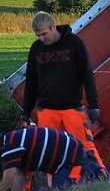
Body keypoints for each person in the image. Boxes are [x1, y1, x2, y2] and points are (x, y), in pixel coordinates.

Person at [22, 11, 105, 178]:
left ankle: (101, 177)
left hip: (72, 108)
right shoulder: (36, 48)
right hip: (46, 110)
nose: (41, 39)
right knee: (51, 150)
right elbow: (31, 81)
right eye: (38, 36)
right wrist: (26, 112)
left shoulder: (74, 44)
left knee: (84, 146)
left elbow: (87, 75)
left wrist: (93, 104)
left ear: (53, 27)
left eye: (44, 34)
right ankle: (59, 185)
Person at [0, 127, 105, 191]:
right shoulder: (14, 139)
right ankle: (94, 171)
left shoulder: (9, 147)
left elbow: (7, 183)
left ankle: (94, 173)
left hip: (69, 155)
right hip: (71, 149)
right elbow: (20, 178)